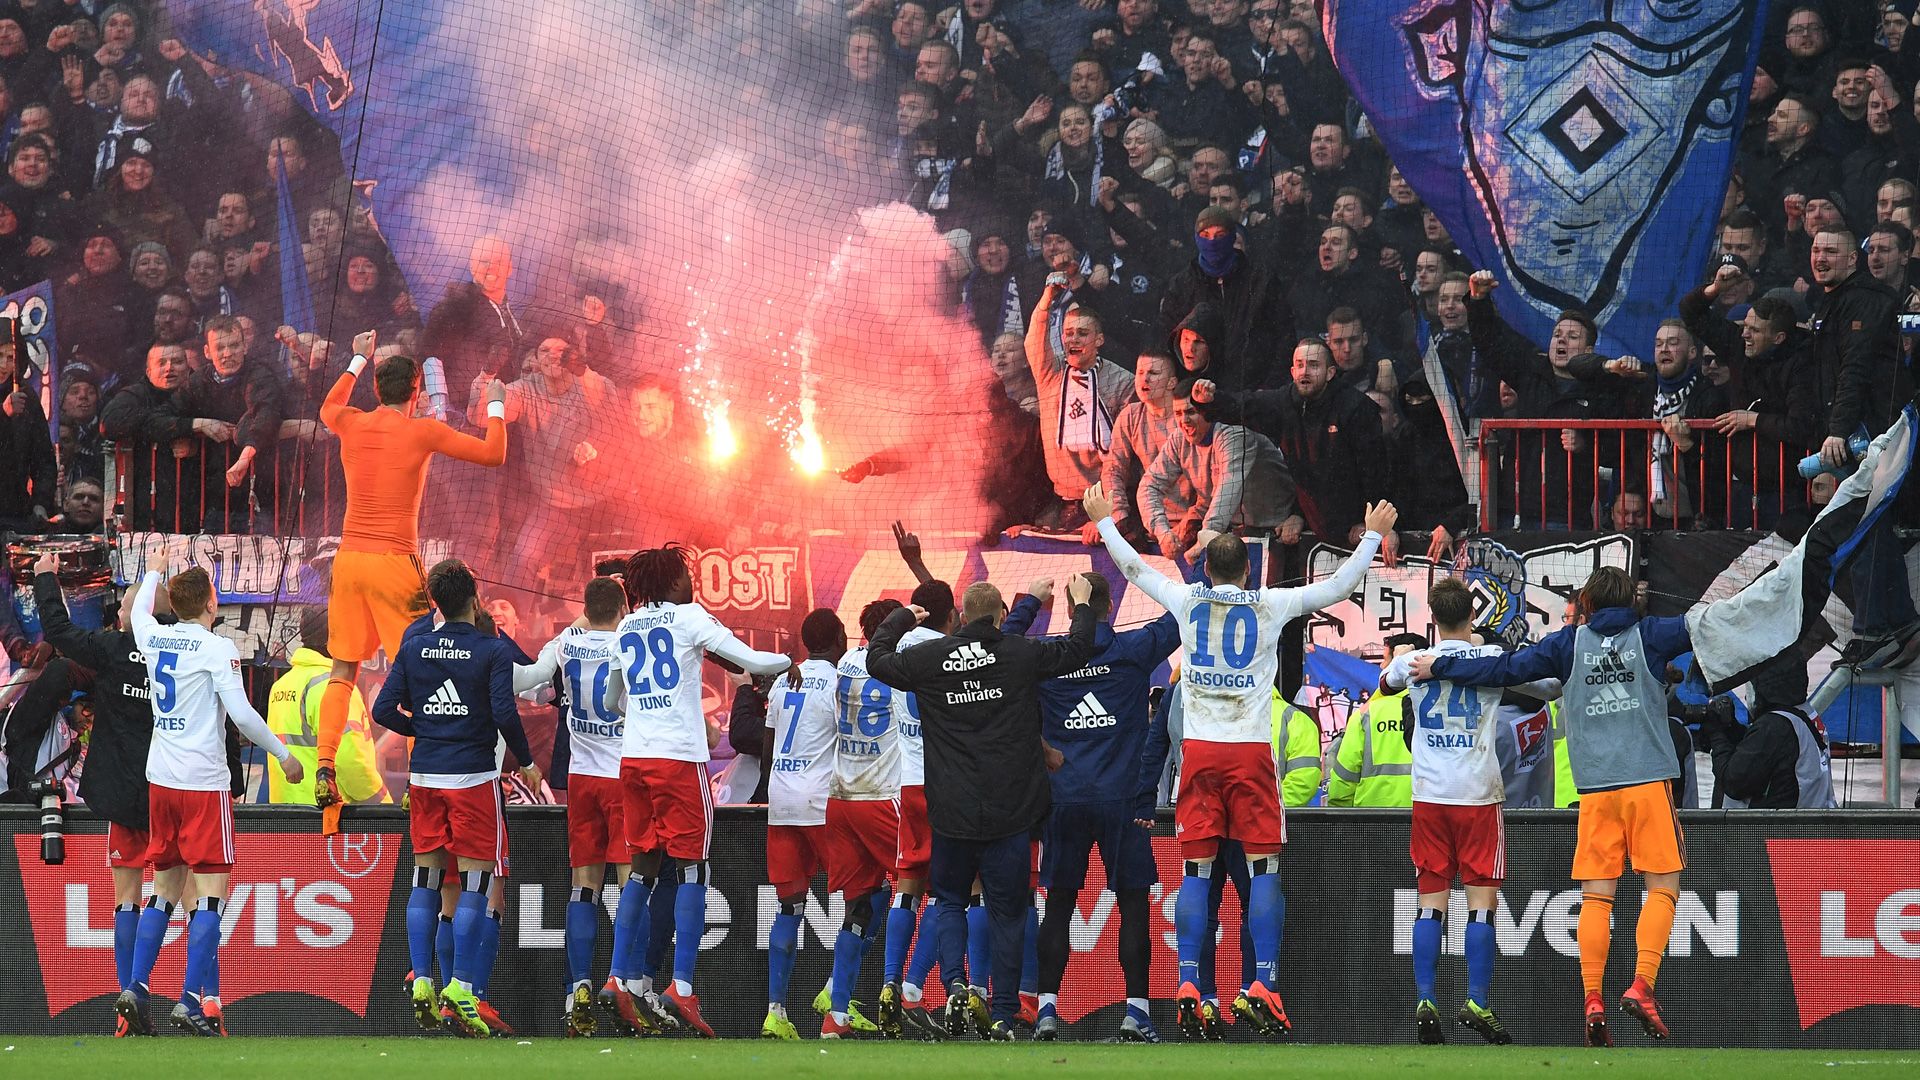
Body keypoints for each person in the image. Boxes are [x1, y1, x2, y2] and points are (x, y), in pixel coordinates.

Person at [1086, 480, 1397, 1039]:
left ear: (1207, 572)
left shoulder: (1187, 601)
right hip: (1251, 754)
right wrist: (1372, 536)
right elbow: (1339, 586)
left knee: (1196, 871)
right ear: (1249, 572)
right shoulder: (1270, 604)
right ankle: (1264, 984)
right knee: (1263, 869)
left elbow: (1134, 569)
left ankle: (1187, 981)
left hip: (1199, 756)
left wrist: (1107, 520)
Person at [1412, 566, 1691, 1047]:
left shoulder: (1567, 645)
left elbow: (1502, 670)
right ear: (1634, 602)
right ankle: (1643, 983)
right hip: (1645, 781)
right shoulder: (1651, 634)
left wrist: (1441, 667)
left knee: (1597, 898)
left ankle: (1592, 996)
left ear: (1585, 604)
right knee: (1662, 886)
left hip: (1594, 790)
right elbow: (1709, 625)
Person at [866, 574, 1099, 1041]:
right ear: (996, 618)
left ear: (962, 618)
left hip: (951, 812)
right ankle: (1004, 1014)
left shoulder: (931, 658)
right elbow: (1078, 648)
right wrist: (1082, 604)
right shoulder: (1017, 654)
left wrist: (899, 618)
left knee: (949, 900)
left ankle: (954, 984)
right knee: (1009, 912)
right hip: (1010, 813)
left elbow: (877, 661)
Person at [313, 330, 507, 833]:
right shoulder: (421, 431)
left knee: (343, 670)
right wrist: (497, 405)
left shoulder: (350, 423)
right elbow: (493, 454)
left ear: (377, 390)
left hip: (349, 559)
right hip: (394, 563)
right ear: (416, 392)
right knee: (425, 669)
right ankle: (421, 781)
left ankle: (325, 766)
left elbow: (327, 406)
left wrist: (357, 356)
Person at [607, 544, 793, 1038]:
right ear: (672, 583)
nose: (692, 583)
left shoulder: (627, 626)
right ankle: (682, 987)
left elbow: (610, 698)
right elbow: (752, 659)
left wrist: (643, 714)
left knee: (642, 869)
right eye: (687, 575)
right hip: (677, 761)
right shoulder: (689, 616)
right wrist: (793, 656)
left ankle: (618, 978)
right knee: (692, 867)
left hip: (634, 759)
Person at [120, 551, 300, 1038]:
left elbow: (138, 611)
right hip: (203, 785)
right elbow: (241, 716)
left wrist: (153, 567)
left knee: (163, 891)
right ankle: (190, 999)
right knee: (211, 898)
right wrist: (283, 756)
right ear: (211, 604)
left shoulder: (154, 636)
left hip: (161, 780)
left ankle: (136, 987)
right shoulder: (218, 649)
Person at [1381, 579, 1562, 1045]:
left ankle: (1426, 998)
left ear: (1434, 618)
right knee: (1481, 906)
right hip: (1478, 797)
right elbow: (1549, 687)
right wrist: (1489, 649)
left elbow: (1384, 682)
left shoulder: (1412, 662)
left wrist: (1410, 667)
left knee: (1430, 902)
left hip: (1429, 798)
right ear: (1473, 617)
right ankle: (1478, 1000)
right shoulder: (1491, 662)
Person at [1001, 572, 1179, 1043]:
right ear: (1110, 607)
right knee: (1133, 903)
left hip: (1063, 799)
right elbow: (1185, 612)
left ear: (1068, 608)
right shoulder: (1135, 648)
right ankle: (1136, 1013)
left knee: (1058, 906)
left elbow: (997, 650)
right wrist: (1196, 560)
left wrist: (1027, 604)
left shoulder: (1048, 657)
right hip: (1122, 800)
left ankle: (1046, 1011)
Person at [372, 559, 537, 1038]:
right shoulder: (491, 649)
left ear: (435, 601)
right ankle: (462, 986)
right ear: (475, 598)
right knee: (475, 885)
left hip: (423, 779)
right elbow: (505, 711)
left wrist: (425, 726)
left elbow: (384, 709)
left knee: (424, 880)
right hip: (472, 780)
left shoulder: (415, 645)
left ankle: (423, 977)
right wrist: (525, 761)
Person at [30, 553, 164, 1036]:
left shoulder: (111, 648)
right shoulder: (181, 653)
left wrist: (46, 577)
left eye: (125, 606)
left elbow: (60, 634)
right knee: (194, 901)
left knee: (127, 898)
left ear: (133, 614)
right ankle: (199, 1000)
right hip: (170, 791)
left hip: (118, 790)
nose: (120, 612)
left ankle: (128, 1003)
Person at [511, 577, 629, 1036]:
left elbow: (528, 680)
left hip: (580, 779)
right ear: (622, 607)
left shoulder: (568, 644)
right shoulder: (628, 645)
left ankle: (577, 984)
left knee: (584, 885)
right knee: (628, 885)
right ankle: (623, 985)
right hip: (621, 777)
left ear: (585, 608)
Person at [757, 608, 845, 1040]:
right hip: (821, 801)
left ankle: (776, 1011)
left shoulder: (781, 680)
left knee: (790, 907)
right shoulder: (837, 682)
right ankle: (836, 993)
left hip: (782, 801)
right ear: (837, 639)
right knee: (868, 894)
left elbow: (768, 744)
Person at [878, 580, 956, 1038]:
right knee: (952, 894)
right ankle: (912, 988)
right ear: (951, 617)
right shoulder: (950, 651)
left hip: (907, 783)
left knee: (907, 888)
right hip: (947, 785)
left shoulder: (894, 651)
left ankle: (890, 983)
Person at [1024, 280, 1135, 528]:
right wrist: (1046, 300)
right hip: (1060, 501)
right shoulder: (1050, 373)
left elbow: (1125, 451)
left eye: (1083, 333)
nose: (1073, 340)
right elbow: (1033, 343)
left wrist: (1108, 512)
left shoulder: (1123, 382)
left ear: (1099, 340)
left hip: (1104, 501)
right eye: (1069, 333)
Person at [264, 607, 386, 806]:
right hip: (329, 817)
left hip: (286, 816)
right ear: (334, 638)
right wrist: (382, 804)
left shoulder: (281, 685)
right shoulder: (335, 687)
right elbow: (350, 761)